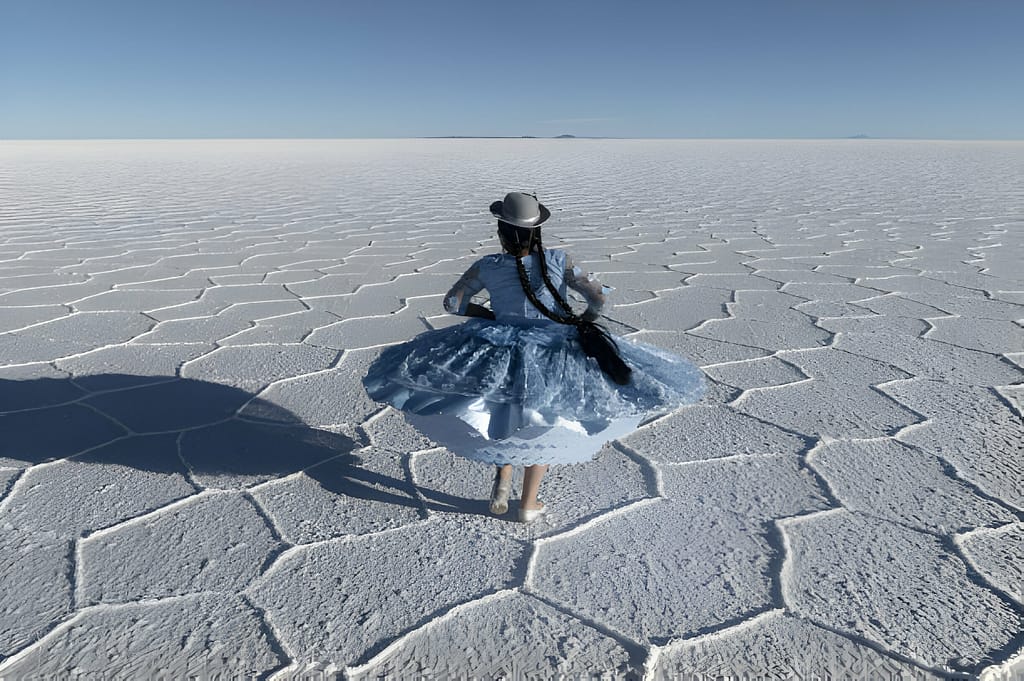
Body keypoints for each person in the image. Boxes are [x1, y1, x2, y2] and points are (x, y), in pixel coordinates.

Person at [363, 192, 704, 522]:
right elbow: (598, 299)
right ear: (536, 230)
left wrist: (491, 318)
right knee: (543, 421)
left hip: (498, 346)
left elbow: (453, 303)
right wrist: (580, 322)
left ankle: (502, 481)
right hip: (555, 347)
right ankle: (527, 504)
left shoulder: (488, 265)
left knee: (502, 409)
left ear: (501, 231)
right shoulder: (559, 260)